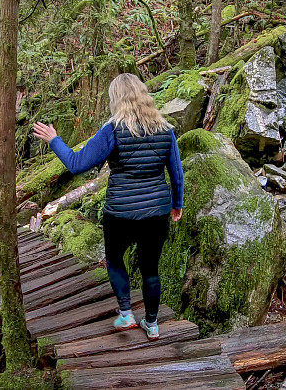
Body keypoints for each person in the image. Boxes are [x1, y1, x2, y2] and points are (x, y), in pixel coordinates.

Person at [32, 73, 184, 340]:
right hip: (156, 212)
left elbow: (77, 164)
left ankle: (126, 313)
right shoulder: (166, 130)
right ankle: (152, 324)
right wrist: (177, 203)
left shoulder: (112, 130)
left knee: (115, 260)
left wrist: (54, 139)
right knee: (150, 268)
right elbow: (177, 172)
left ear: (116, 98)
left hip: (120, 212)